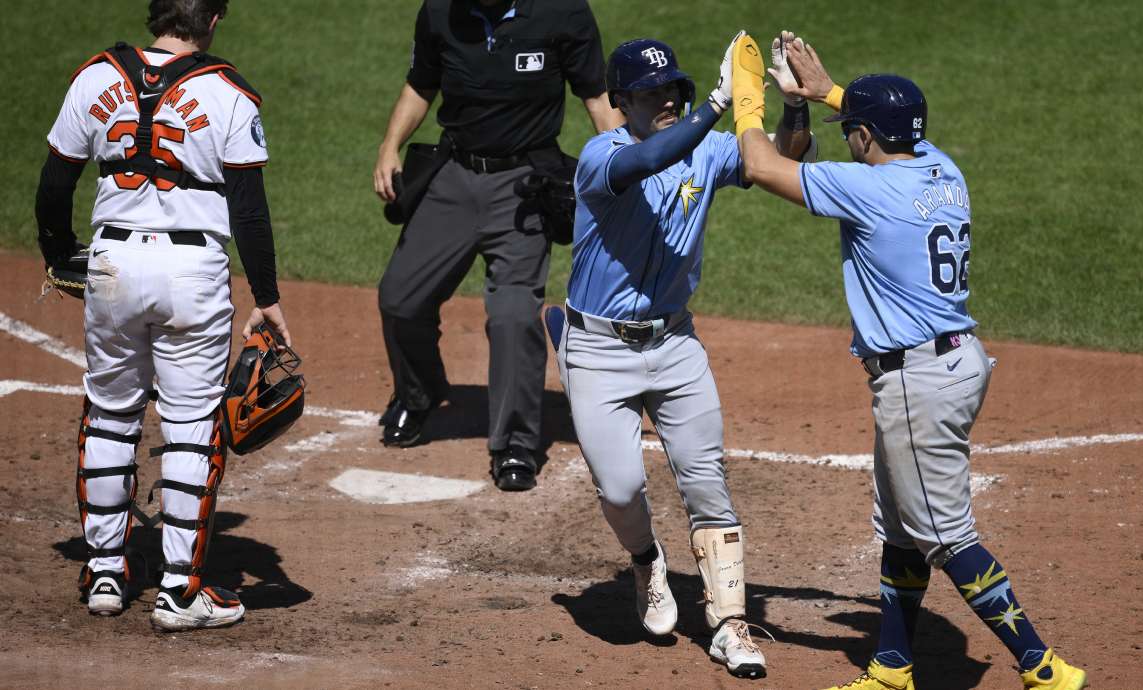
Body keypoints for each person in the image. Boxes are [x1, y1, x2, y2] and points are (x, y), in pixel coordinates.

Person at [732, 35, 1087, 690]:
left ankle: (1044, 666)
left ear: (865, 136)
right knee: (900, 527)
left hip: (916, 382)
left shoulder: (866, 189)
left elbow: (760, 166)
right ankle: (892, 666)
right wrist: (830, 93)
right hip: (952, 364)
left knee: (945, 535)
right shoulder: (942, 168)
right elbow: (888, 131)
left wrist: (749, 97)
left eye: (850, 129)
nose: (846, 138)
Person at [558, 33, 811, 679]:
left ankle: (729, 626)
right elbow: (650, 161)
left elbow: (779, 159)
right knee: (619, 490)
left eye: (673, 88)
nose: (666, 99)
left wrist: (794, 107)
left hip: (674, 344)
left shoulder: (707, 148)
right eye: (650, 92)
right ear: (620, 102)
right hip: (596, 349)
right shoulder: (602, 155)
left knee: (707, 483)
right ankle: (647, 562)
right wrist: (721, 103)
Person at [36, 0, 288, 631]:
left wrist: (58, 257)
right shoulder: (231, 92)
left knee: (112, 411)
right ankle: (179, 592)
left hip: (112, 264)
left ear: (155, 14)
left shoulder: (96, 75)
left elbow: (54, 184)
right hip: (192, 275)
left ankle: (104, 574)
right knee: (191, 425)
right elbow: (250, 213)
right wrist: (268, 297)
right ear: (215, 20)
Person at [372, 0, 623, 492]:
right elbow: (422, 83)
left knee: (512, 314)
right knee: (400, 299)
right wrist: (390, 145)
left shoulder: (561, 12)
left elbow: (597, 98)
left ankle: (515, 445)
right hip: (454, 175)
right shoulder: (442, 11)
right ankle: (419, 395)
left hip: (525, 184)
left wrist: (625, 173)